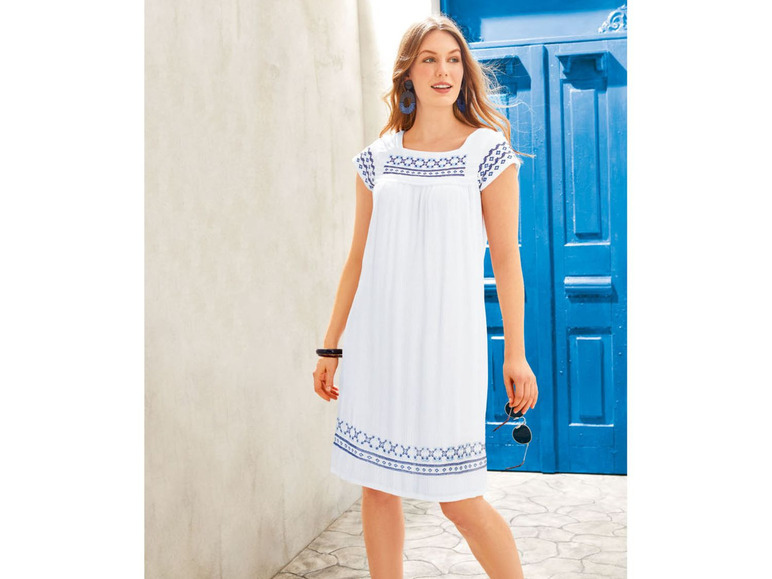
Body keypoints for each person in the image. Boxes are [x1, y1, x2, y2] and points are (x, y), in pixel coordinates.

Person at [312, 14, 539, 579]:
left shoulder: (485, 151)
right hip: (379, 344)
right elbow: (358, 258)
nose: (444, 71)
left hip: (448, 346)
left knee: (459, 499)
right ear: (407, 73)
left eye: (454, 59)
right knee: (377, 486)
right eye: (429, 59)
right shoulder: (379, 156)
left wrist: (516, 354)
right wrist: (331, 344)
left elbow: (507, 259)